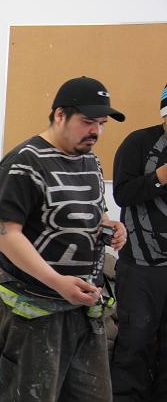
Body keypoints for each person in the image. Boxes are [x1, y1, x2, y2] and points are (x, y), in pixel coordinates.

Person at [0, 76, 127, 402]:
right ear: (60, 115)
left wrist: (110, 227)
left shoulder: (90, 160)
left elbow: (92, 214)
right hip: (34, 313)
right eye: (87, 122)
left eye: (102, 123)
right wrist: (56, 281)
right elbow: (5, 233)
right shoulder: (24, 161)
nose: (95, 131)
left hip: (84, 308)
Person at [110, 83, 167, 401]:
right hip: (140, 265)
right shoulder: (138, 142)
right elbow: (122, 193)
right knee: (136, 340)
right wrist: (160, 177)